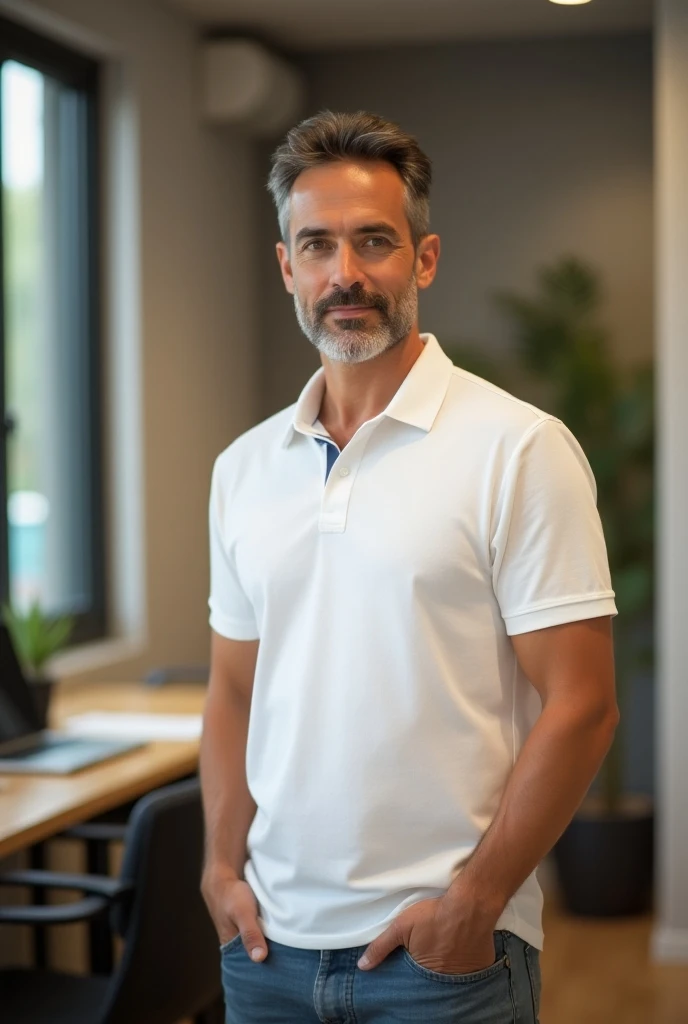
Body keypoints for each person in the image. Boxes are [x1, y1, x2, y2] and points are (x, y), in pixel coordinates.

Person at [200, 110, 619, 1024]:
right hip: (266, 952)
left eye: (373, 242)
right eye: (317, 246)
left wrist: (472, 905)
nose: (343, 274)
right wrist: (219, 870)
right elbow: (234, 690)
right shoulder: (243, 469)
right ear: (287, 269)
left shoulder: (518, 448)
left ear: (423, 259)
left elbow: (583, 704)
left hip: (442, 963)